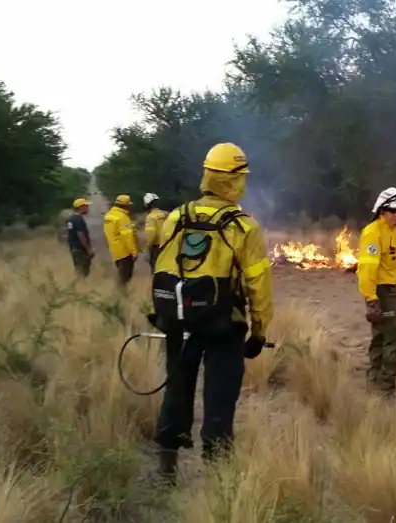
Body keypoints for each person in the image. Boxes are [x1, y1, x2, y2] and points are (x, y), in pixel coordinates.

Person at [149, 142, 273, 483]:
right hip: (224, 326)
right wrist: (259, 331)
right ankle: (218, 474)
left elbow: (162, 268)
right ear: (233, 181)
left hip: (178, 320)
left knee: (176, 388)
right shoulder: (244, 227)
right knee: (220, 396)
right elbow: (257, 284)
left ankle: (166, 467)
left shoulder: (176, 217)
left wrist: (159, 312)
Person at [356, 187, 396, 397]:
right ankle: (385, 390)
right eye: (393, 211)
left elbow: (391, 267)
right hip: (379, 293)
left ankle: (374, 385)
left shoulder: (393, 231)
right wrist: (371, 300)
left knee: (380, 339)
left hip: (390, 291)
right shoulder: (373, 233)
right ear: (381, 210)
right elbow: (367, 269)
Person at [103, 194, 138, 288]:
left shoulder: (109, 215)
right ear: (126, 205)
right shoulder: (122, 217)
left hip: (115, 251)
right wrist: (133, 251)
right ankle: (120, 297)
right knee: (124, 277)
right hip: (124, 251)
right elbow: (127, 235)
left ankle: (121, 296)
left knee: (121, 274)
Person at [66, 198, 95, 277]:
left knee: (79, 270)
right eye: (86, 206)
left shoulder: (71, 218)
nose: (88, 208)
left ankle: (79, 287)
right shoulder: (78, 219)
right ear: (81, 207)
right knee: (83, 272)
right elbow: (80, 235)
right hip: (80, 249)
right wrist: (88, 249)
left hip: (74, 248)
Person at [143, 192, 168, 273]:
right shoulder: (166, 214)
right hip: (168, 245)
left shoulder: (150, 217)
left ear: (147, 204)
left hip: (156, 248)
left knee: (157, 270)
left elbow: (151, 235)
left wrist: (147, 249)